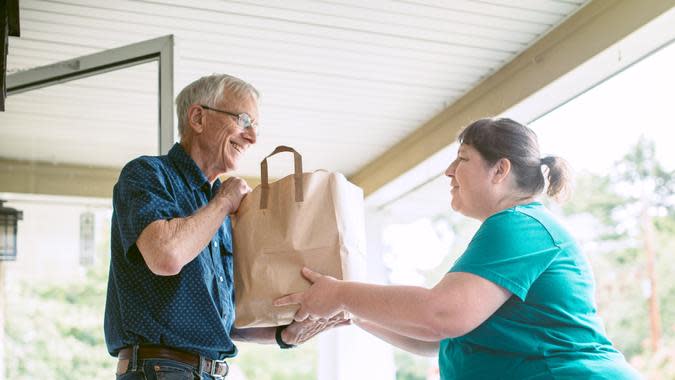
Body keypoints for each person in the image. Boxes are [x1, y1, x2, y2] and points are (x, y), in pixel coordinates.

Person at [276, 118, 641, 379]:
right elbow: (439, 338)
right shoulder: (515, 229)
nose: (448, 171)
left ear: (500, 170)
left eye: (463, 159)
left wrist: (341, 293)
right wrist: (352, 314)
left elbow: (440, 315)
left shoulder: (520, 225)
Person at [105, 74, 343, 379]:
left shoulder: (221, 212)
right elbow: (166, 255)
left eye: (256, 127)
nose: (253, 138)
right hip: (160, 370)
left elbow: (225, 323)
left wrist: (285, 335)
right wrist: (223, 202)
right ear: (198, 118)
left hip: (209, 372)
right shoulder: (148, 174)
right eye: (244, 120)